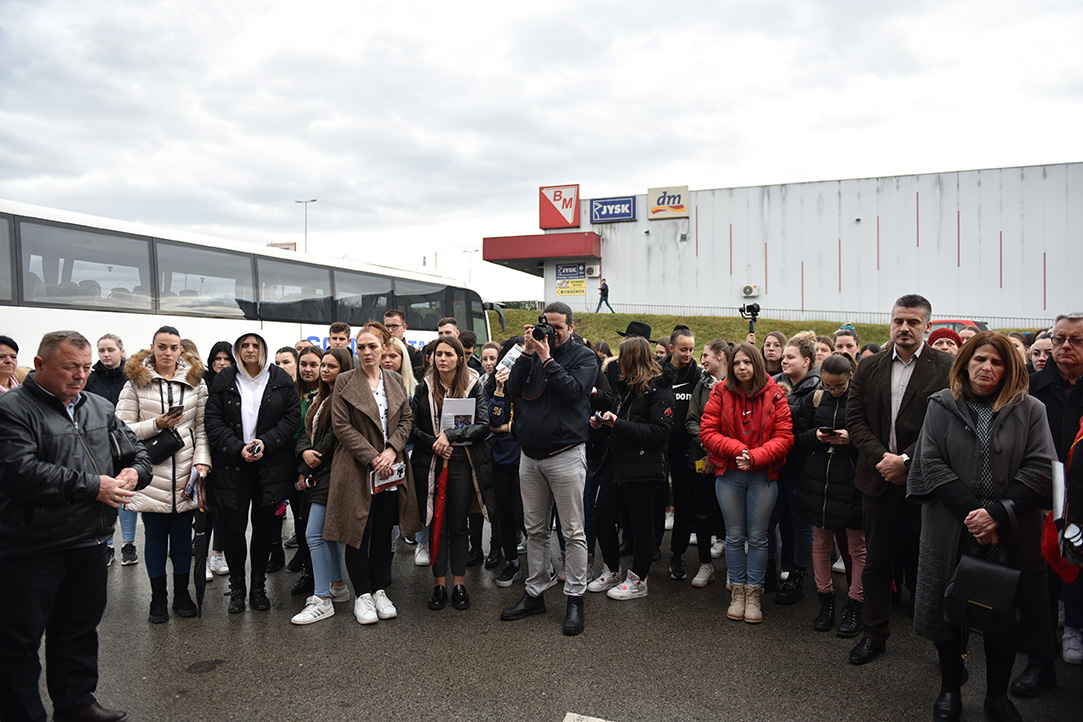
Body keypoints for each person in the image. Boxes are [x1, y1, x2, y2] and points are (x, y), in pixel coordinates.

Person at [0, 330, 152, 722]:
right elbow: (20, 472)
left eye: (85, 367)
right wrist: (92, 487)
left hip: (89, 540)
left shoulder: (97, 406)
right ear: (40, 365)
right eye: (70, 367)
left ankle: (76, 704)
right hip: (32, 545)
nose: (81, 375)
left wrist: (135, 472)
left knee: (78, 630)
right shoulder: (11, 409)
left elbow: (136, 451)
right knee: (19, 642)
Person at [907, 331, 1055, 722]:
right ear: (965, 362)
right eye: (980, 359)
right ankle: (949, 691)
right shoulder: (941, 404)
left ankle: (996, 697)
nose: (987, 368)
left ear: (1009, 369)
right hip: (952, 527)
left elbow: (1040, 467)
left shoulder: (1031, 409)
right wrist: (976, 515)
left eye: (997, 362)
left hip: (1010, 529)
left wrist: (999, 514)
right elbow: (929, 462)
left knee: (1002, 612)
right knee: (949, 611)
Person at [845, 294, 954, 665]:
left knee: (932, 563)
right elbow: (855, 419)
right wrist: (884, 459)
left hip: (927, 481)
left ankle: (944, 646)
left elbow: (947, 425)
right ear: (890, 322)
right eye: (898, 321)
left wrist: (906, 460)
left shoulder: (946, 367)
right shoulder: (868, 366)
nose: (904, 328)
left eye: (913, 322)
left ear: (927, 325)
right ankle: (874, 635)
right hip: (877, 478)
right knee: (876, 562)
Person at [501, 301, 597, 636]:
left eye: (558, 327)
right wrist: (528, 353)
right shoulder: (530, 354)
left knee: (572, 531)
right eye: (547, 326)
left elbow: (573, 392)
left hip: (565, 453)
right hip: (530, 455)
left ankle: (575, 598)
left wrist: (546, 358)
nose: (551, 333)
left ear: (571, 327)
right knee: (535, 530)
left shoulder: (584, 357)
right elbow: (512, 389)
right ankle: (535, 592)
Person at [115, 326, 211, 624]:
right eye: (162, 347)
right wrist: (156, 424)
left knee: (182, 537)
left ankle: (182, 594)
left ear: (181, 349)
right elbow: (121, 429)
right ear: (152, 347)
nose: (168, 353)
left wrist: (202, 463)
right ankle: (158, 597)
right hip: (149, 470)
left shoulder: (196, 383)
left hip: (185, 473)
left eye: (173, 347)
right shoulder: (135, 383)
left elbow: (202, 430)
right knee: (155, 536)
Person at [1011, 311, 1083, 696]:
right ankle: (1040, 663)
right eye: (1059, 339)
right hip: (1038, 501)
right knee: (1038, 585)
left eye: (1076, 340)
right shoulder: (1030, 387)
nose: (1065, 346)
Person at [204, 332, 301, 614]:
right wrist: (238, 448)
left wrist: (265, 442)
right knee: (234, 529)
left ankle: (258, 587)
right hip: (233, 465)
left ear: (263, 349)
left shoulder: (280, 379)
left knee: (265, 529)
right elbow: (213, 421)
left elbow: (291, 418)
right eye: (244, 345)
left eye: (255, 345)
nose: (249, 349)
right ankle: (237, 588)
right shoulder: (224, 380)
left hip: (269, 465)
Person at [700, 342, 793, 624]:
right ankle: (737, 592)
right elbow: (708, 431)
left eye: (747, 362)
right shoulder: (720, 392)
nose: (742, 367)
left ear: (757, 364)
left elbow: (784, 437)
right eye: (737, 363)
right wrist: (738, 451)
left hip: (763, 474)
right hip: (729, 473)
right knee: (734, 535)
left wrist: (755, 457)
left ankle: (754, 593)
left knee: (759, 537)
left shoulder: (776, 395)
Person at [589, 336, 674, 600]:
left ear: (634, 359)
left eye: (623, 357)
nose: (619, 362)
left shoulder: (659, 390)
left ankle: (638, 579)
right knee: (602, 516)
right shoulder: (626, 387)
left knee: (640, 525)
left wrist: (618, 424)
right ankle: (612, 569)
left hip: (643, 469)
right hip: (618, 464)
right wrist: (602, 424)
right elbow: (620, 423)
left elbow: (660, 432)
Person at [410, 335, 491, 612]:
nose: (442, 359)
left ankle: (458, 583)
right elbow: (411, 427)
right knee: (437, 522)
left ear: (460, 358)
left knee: (457, 524)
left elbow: (483, 425)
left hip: (462, 462)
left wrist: (451, 436)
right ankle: (439, 584)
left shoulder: (473, 384)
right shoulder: (423, 386)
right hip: (430, 461)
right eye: (438, 354)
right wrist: (435, 442)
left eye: (448, 354)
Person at [795, 353, 865, 637]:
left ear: (851, 377)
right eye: (827, 385)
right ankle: (825, 601)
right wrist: (816, 436)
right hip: (818, 480)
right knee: (820, 543)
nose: (833, 391)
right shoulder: (814, 398)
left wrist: (852, 439)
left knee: (857, 547)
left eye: (839, 386)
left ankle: (856, 603)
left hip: (851, 482)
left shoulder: (862, 400)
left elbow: (876, 439)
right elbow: (797, 437)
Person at [290, 347, 355, 624]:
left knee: (314, 535)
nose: (324, 370)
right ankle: (336, 586)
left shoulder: (344, 398)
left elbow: (332, 438)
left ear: (344, 370)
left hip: (333, 473)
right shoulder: (319, 397)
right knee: (325, 536)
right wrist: (304, 453)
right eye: (323, 365)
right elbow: (306, 432)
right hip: (319, 472)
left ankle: (322, 599)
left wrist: (307, 465)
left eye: (331, 366)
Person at [772, 335, 821, 604]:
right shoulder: (774, 383)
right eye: (783, 357)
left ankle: (797, 578)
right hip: (774, 465)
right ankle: (768, 571)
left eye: (790, 357)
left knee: (802, 526)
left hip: (800, 468)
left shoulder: (817, 389)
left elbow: (809, 431)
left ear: (806, 361)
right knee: (767, 522)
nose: (784, 361)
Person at [85, 333, 137, 566]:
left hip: (126, 442)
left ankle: (129, 544)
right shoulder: (91, 379)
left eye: (110, 350)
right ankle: (107, 545)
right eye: (102, 350)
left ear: (121, 351)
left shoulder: (132, 377)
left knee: (126, 493)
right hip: (98, 445)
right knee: (106, 493)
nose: (106, 354)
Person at [684, 339, 730, 586]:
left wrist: (717, 454)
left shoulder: (736, 384)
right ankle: (705, 564)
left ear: (721, 355)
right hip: (701, 459)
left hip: (729, 462)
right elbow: (692, 419)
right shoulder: (701, 385)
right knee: (702, 512)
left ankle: (734, 569)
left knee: (732, 516)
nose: (701, 361)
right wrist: (707, 447)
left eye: (705, 355)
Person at [662, 326, 704, 582]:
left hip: (683, 448)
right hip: (658, 444)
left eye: (691, 349)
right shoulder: (658, 371)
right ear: (671, 349)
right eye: (683, 349)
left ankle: (677, 554)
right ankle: (650, 547)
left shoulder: (697, 375)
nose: (688, 354)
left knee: (684, 503)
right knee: (654, 500)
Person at [486, 338, 528, 588]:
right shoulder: (493, 384)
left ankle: (543, 565)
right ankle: (512, 562)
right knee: (503, 514)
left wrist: (507, 427)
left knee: (524, 516)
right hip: (499, 460)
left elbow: (530, 423)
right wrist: (500, 389)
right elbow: (491, 420)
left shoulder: (529, 383)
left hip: (524, 460)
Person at [286, 345, 324, 596]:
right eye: (303, 364)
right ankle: (307, 569)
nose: (307, 369)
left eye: (313, 365)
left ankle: (319, 575)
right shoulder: (291, 393)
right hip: (292, 464)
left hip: (317, 465)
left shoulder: (327, 394)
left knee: (314, 524)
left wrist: (307, 464)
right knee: (299, 519)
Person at [201, 342, 234, 580]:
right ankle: (201, 557)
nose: (221, 363)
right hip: (205, 454)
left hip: (228, 455)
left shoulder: (236, 383)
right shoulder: (202, 384)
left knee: (223, 508)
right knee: (204, 509)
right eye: (217, 358)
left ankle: (218, 554)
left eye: (226, 359)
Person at [383, 308, 424, 377]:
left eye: (394, 326)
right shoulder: (378, 350)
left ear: (404, 327)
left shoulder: (415, 354)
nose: (390, 330)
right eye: (387, 326)